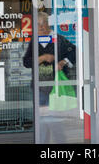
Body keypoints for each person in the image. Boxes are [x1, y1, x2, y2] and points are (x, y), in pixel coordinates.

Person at [22, 11, 76, 143]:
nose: (41, 27)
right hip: (39, 87)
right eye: (38, 25)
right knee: (43, 119)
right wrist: (42, 58)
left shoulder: (59, 39)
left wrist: (63, 63)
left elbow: (74, 52)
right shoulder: (34, 41)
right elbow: (26, 62)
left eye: (43, 24)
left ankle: (59, 142)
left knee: (52, 119)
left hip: (56, 87)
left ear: (49, 25)